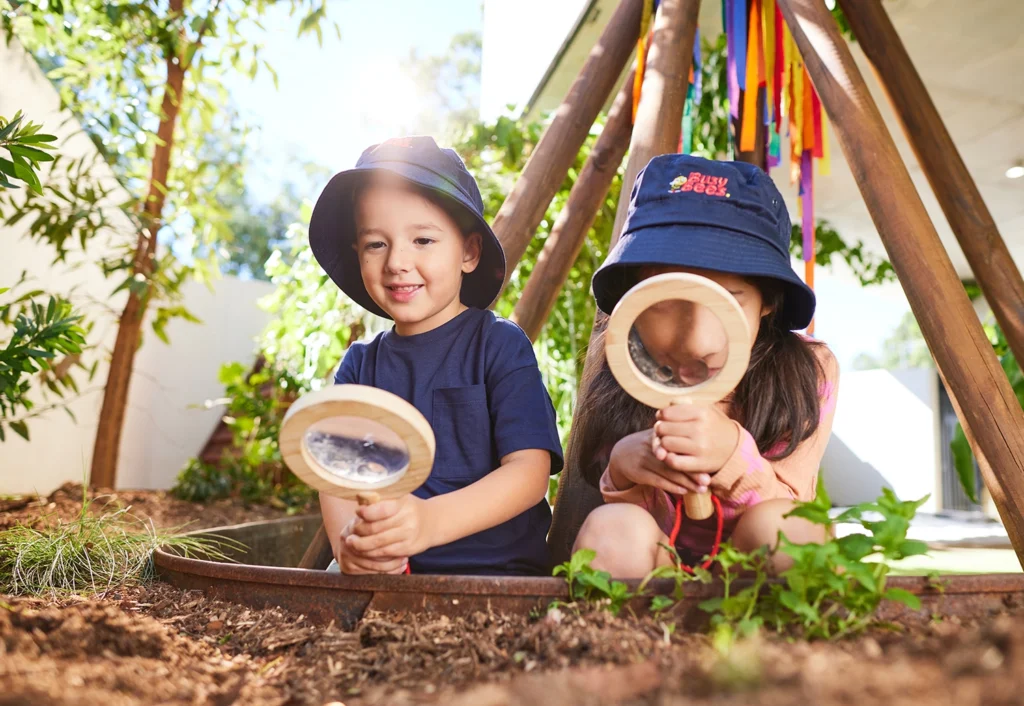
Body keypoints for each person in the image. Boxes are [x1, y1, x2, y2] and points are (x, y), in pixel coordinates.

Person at [571, 153, 839, 576]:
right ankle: (624, 640)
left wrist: (731, 456)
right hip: (662, 575)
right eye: (666, 303)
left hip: (760, 577)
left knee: (784, 527)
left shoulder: (809, 369)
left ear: (769, 300)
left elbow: (791, 511)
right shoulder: (624, 362)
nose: (695, 341)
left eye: (729, 299)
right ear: (632, 301)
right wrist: (623, 471)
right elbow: (636, 530)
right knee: (612, 529)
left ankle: (792, 641)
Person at [308, 136, 563, 575]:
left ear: (468, 251)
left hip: (495, 575)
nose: (397, 262)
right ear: (358, 254)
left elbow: (529, 472)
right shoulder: (359, 367)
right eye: (376, 244)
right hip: (392, 571)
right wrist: (352, 543)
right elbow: (337, 475)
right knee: (336, 578)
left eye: (423, 240)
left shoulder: (498, 346)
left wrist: (429, 523)